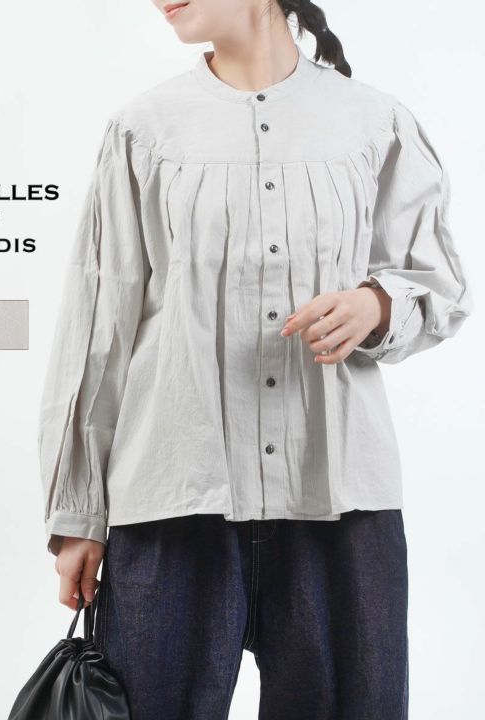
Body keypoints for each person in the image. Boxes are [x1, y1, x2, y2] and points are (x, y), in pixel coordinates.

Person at [37, 1, 473, 718]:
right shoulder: (144, 130)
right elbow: (96, 327)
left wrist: (376, 304)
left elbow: (439, 283)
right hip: (174, 493)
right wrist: (79, 513)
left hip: (338, 496)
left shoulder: (373, 122)